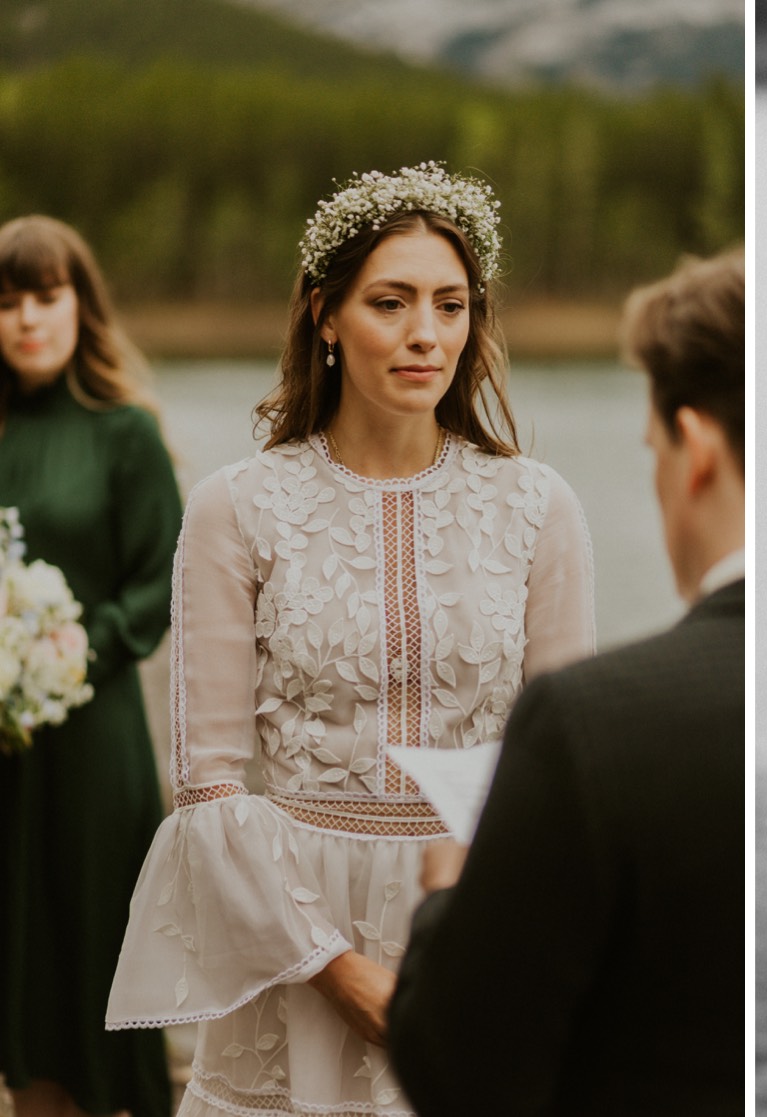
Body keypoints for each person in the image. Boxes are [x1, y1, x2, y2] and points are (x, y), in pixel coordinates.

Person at [104, 163, 595, 1116]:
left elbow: (564, 773)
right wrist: (335, 969)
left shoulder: (540, 506)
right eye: (392, 302)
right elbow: (207, 785)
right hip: (288, 942)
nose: (426, 333)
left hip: (474, 932)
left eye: (451, 305)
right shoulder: (235, 508)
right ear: (326, 315)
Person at [388, 249, 744, 1115]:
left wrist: (447, 890)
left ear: (693, 449)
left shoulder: (592, 724)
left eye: (653, 446)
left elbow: (456, 1066)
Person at [0, 216, 180, 1117]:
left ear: (82, 304)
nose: (27, 318)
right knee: (19, 975)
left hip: (92, 736)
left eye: (46, 295)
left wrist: (68, 652)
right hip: (2, 748)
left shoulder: (126, 434)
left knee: (93, 960)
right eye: (5, 302)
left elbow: (159, 581)